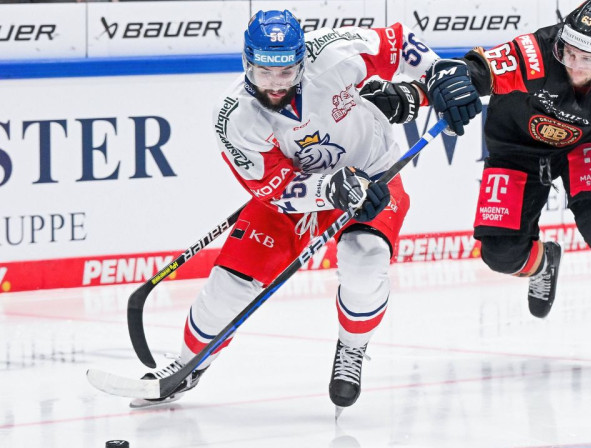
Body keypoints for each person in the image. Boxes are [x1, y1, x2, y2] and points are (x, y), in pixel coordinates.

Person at [131, 10, 466, 411]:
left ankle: (352, 348)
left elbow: (397, 42)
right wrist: (330, 187)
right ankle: (185, 366)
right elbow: (275, 190)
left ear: (302, 62)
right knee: (229, 287)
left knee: (365, 258)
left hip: (372, 170)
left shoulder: (334, 54)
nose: (275, 85)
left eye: (286, 73)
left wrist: (439, 71)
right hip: (299, 192)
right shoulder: (235, 119)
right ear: (246, 63)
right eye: (264, 73)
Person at [424, 0, 591, 366]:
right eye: (568, 51)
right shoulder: (537, 50)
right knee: (499, 254)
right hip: (515, 146)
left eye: (587, 59)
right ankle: (543, 263)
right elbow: (477, 70)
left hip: (588, 142)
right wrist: (444, 86)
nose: (573, 66)